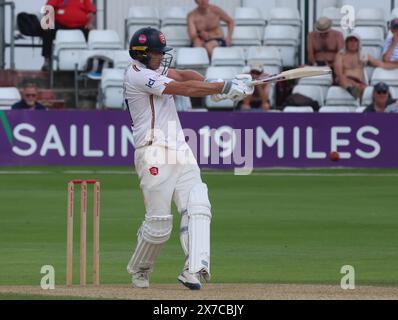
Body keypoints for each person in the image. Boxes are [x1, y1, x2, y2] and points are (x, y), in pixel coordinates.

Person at [124, 27, 253, 290]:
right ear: (143, 54)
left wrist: (217, 84)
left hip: (180, 149)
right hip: (153, 151)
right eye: (158, 53)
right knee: (159, 224)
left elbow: (184, 75)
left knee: (198, 206)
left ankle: (193, 268)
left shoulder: (155, 69)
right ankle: (140, 269)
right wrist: (220, 88)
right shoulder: (136, 75)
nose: (162, 57)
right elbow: (180, 87)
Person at [41, 0, 96, 71]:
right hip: (61, 24)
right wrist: (48, 21)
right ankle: (47, 60)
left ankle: (88, 63)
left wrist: (90, 23)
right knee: (47, 31)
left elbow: (91, 12)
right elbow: (49, 7)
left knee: (92, 35)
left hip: (80, 26)